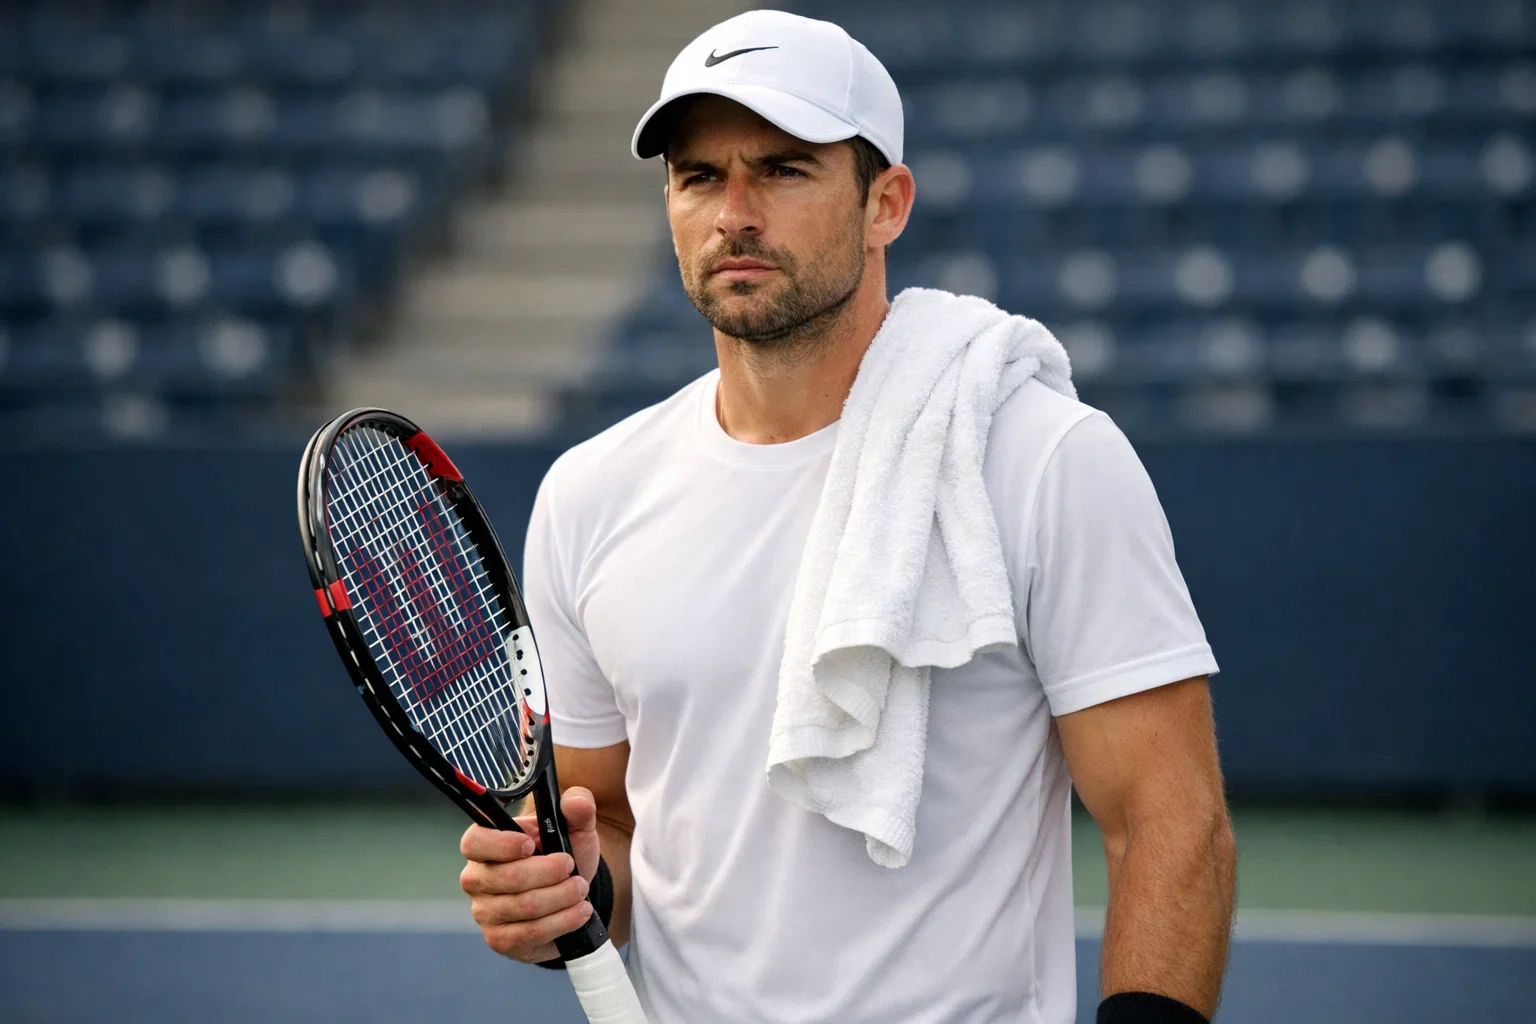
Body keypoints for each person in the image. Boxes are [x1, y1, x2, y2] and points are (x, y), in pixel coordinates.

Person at [459, 10, 1235, 1023]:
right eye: (699, 176)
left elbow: (1172, 824)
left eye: (782, 170)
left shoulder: (1045, 458)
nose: (734, 211)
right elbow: (608, 821)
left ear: (887, 204)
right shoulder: (589, 493)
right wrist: (565, 891)